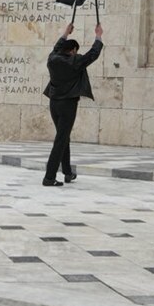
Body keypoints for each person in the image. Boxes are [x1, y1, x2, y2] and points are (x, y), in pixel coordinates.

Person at [42, 22, 103, 186]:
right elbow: (93, 54)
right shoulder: (74, 61)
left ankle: (68, 173)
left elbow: (57, 47)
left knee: (64, 137)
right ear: (74, 50)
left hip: (54, 104)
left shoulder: (52, 58)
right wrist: (98, 36)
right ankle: (49, 177)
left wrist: (65, 33)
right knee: (61, 140)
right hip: (68, 104)